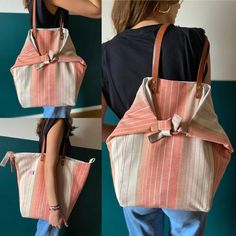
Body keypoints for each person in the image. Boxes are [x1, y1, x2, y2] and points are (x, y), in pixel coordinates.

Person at [102, 0, 211, 235]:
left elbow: (95, 125)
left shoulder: (106, 53)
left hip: (134, 171)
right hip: (185, 170)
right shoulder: (195, 41)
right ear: (161, 3)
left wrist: (130, 133)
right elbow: (203, 111)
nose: (179, 6)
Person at [23, 0, 101, 118]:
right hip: (56, 73)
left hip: (46, 71)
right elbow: (97, 10)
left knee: (52, 114)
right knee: (57, 116)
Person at [35, 118, 74, 236]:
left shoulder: (49, 122)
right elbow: (49, 168)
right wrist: (54, 209)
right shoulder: (58, 122)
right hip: (53, 199)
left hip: (49, 197)